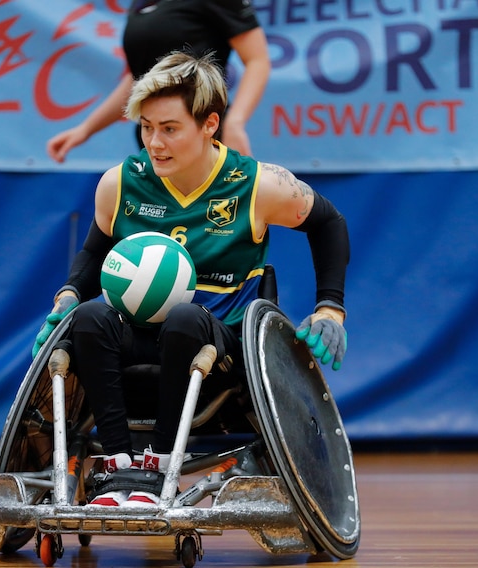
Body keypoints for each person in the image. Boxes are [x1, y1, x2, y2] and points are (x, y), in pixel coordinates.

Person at [32, 51, 349, 508]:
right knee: (91, 315)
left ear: (210, 125)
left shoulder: (257, 186)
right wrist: (67, 296)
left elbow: (329, 223)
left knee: (183, 317)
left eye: (169, 129)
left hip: (218, 347)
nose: (154, 143)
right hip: (136, 337)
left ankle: (160, 466)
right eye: (146, 127)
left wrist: (330, 307)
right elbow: (93, 251)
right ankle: (120, 468)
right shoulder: (119, 182)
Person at [46, 0, 270, 161]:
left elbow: (257, 60)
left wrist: (235, 123)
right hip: (154, 140)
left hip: (201, 135)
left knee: (216, 222)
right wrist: (85, 129)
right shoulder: (140, 4)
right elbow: (139, 81)